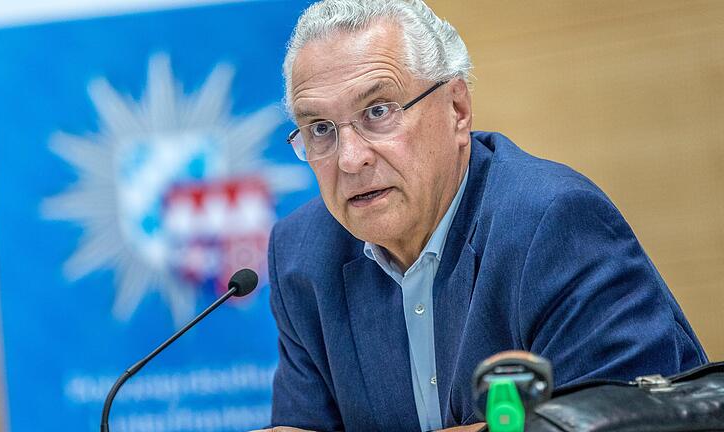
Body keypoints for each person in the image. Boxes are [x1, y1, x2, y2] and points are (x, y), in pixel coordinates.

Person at [261, 0, 708, 431]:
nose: (349, 159)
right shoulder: (302, 254)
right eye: (320, 129)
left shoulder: (555, 222)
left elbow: (614, 421)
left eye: (378, 112)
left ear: (457, 109)